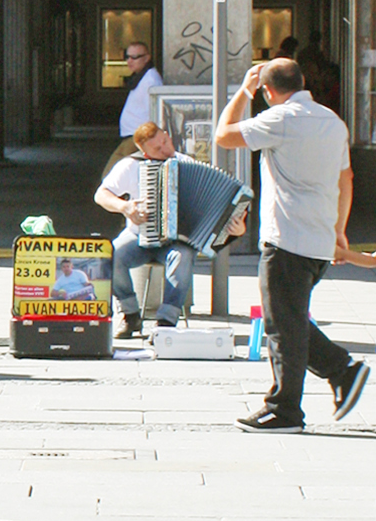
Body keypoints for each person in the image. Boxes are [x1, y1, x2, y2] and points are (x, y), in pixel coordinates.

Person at [216, 58, 368, 432]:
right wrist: (338, 230)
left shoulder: (279, 119)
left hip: (286, 238)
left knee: (282, 326)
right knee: (288, 319)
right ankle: (342, 371)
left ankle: (285, 409)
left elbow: (223, 135)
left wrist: (243, 92)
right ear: (302, 81)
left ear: (268, 91)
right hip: (317, 238)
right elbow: (345, 178)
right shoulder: (332, 122)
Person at [95, 121, 213, 338]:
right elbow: (101, 195)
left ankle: (166, 321)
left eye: (165, 142)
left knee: (183, 256)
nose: (166, 150)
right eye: (157, 149)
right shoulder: (130, 165)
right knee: (109, 255)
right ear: (144, 151)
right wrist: (125, 206)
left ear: (167, 135)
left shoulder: (186, 163)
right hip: (138, 236)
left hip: (175, 241)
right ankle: (130, 315)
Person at [103, 41, 164, 179]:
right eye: (127, 56)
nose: (129, 61)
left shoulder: (150, 79)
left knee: (110, 178)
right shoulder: (141, 77)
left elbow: (156, 111)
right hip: (132, 136)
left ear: (147, 58)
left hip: (137, 137)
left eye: (135, 57)